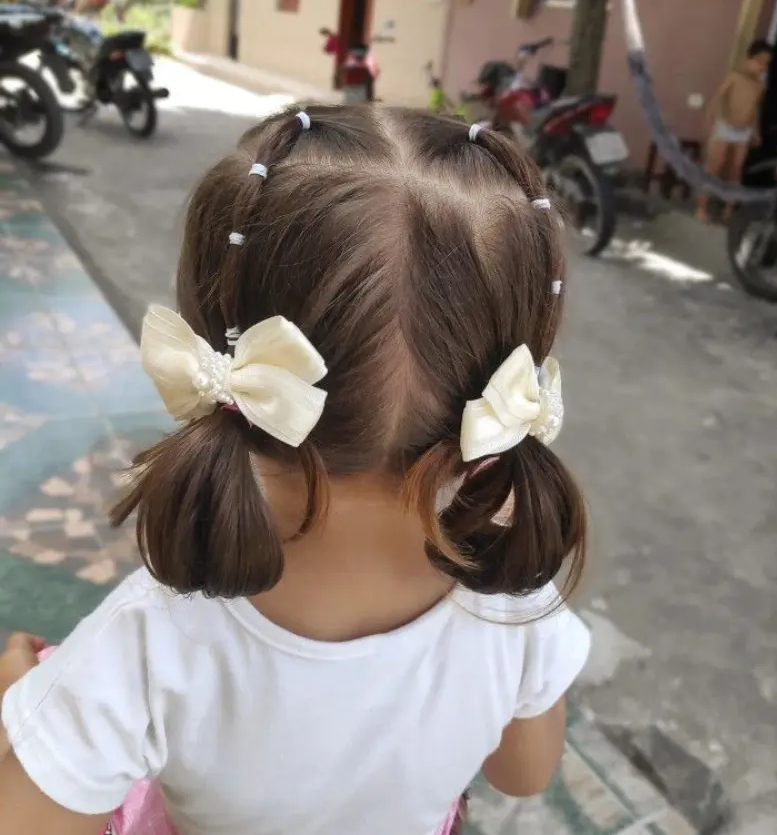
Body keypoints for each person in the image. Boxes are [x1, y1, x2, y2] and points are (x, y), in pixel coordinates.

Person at [0, 105, 591, 835]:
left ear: (217, 339)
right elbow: (523, 774)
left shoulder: (148, 642)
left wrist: (26, 717)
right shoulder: (511, 599)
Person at [698, 39, 773, 222]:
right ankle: (701, 207)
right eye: (760, 62)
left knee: (737, 169)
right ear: (749, 59)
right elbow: (718, 97)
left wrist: (756, 131)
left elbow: (755, 109)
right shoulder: (735, 76)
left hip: (744, 131)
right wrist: (710, 118)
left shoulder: (759, 85)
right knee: (715, 166)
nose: (762, 67)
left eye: (766, 64)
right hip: (726, 125)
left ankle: (728, 209)